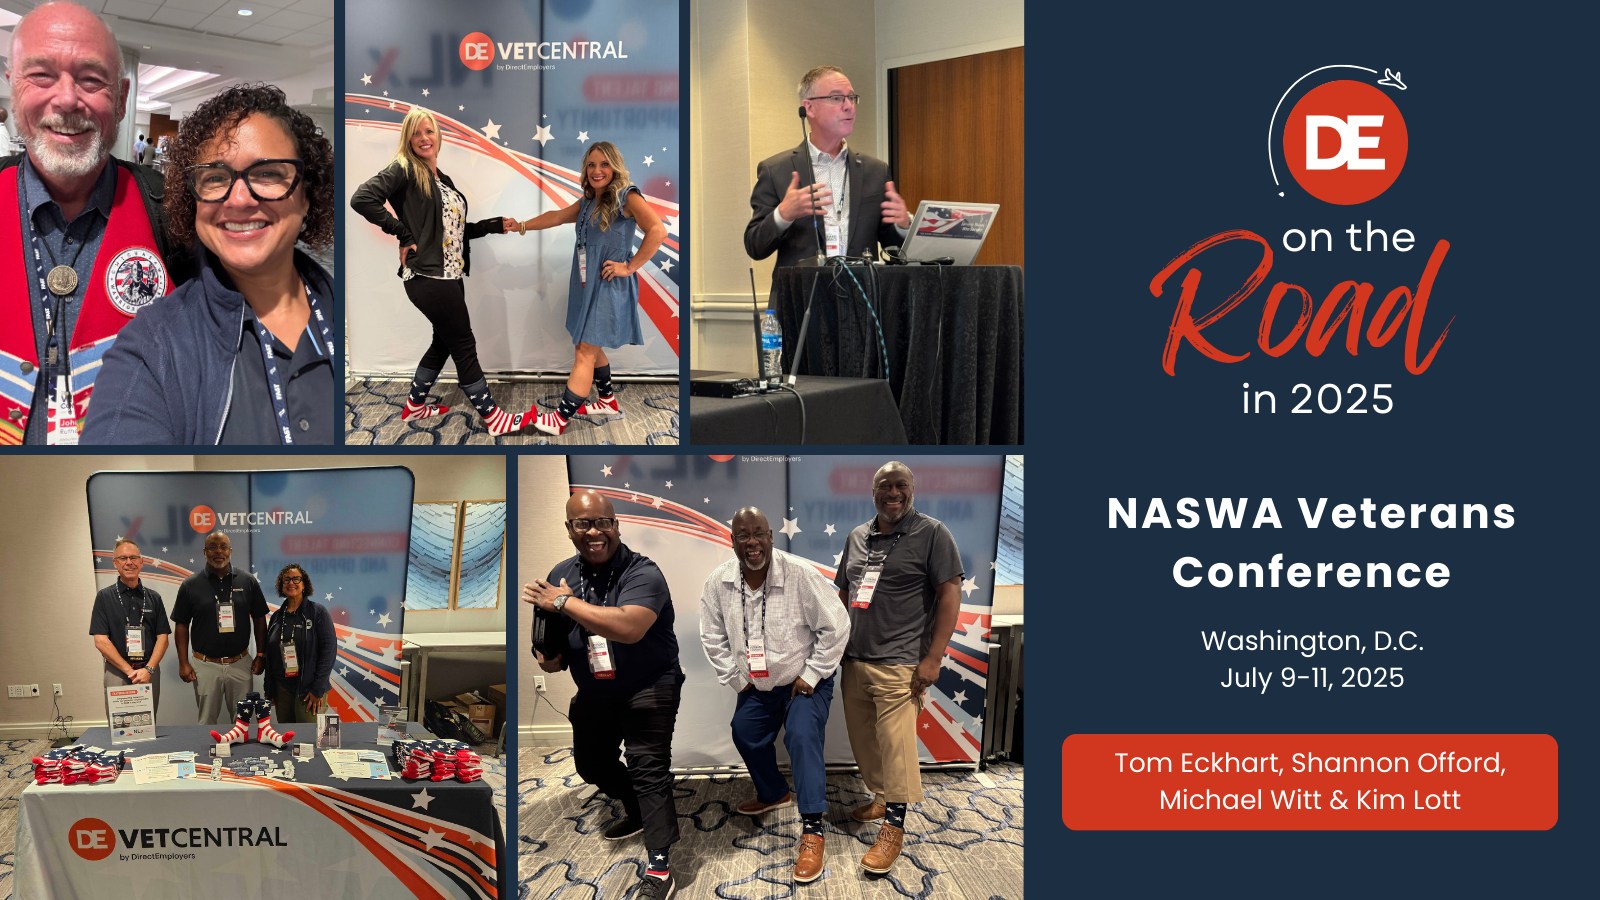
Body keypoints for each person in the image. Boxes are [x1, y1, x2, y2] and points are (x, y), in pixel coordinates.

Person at [81, 82, 336, 444]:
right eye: (216, 178)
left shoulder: (352, 311)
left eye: (268, 173)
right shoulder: (153, 348)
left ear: (307, 195)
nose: (240, 199)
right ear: (193, 201)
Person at [0, 1, 193, 445]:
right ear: (13, 90)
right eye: (42, 75)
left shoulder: (173, 209)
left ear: (122, 99)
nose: (67, 99)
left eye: (91, 79)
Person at [521, 490, 682, 899]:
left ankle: (660, 867)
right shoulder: (562, 573)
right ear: (570, 529)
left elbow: (628, 627)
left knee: (648, 766)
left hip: (650, 685)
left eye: (603, 522)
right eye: (583, 523)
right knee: (591, 764)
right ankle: (636, 807)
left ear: (616, 525)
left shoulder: (644, 572)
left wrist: (564, 602)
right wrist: (547, 655)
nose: (595, 531)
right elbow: (552, 641)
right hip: (595, 688)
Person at [350, 107, 531, 436]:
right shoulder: (404, 168)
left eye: (429, 131)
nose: (423, 138)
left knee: (444, 340)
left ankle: (415, 404)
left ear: (438, 136)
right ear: (408, 138)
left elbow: (454, 233)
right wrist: (403, 233)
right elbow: (362, 198)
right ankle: (493, 416)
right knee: (463, 342)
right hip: (427, 277)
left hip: (450, 275)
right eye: (416, 133)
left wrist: (493, 226)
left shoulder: (440, 179)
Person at [699, 507, 849, 883]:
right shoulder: (719, 582)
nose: (752, 543)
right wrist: (737, 680)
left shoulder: (800, 574)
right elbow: (711, 634)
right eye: (743, 536)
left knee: (800, 735)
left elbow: (837, 626)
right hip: (758, 683)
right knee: (744, 732)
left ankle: (813, 829)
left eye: (759, 534)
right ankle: (774, 792)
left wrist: (813, 673)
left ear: (770, 536)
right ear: (732, 541)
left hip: (804, 681)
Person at [833, 460, 963, 873]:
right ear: (873, 493)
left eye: (900, 486)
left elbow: (950, 593)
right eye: (885, 486)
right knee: (864, 741)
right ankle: (880, 796)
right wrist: (832, 645)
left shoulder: (933, 533)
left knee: (897, 745)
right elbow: (842, 592)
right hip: (854, 659)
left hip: (902, 663)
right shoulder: (857, 537)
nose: (893, 493)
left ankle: (894, 826)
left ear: (912, 489)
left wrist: (934, 657)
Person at [515, 141, 666, 436]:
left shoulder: (627, 196)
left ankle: (560, 418)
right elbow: (556, 216)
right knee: (587, 344)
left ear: (615, 167)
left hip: (609, 283)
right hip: (586, 281)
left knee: (585, 349)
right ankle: (607, 400)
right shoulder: (588, 201)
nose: (597, 171)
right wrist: (520, 225)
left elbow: (658, 230)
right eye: (592, 164)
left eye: (604, 164)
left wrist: (630, 266)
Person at [744, 65, 911, 270]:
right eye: (836, 98)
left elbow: (893, 249)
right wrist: (783, 214)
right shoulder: (776, 170)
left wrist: (903, 226)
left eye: (851, 97)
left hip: (860, 295)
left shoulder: (875, 171)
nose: (849, 106)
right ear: (809, 108)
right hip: (803, 297)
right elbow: (755, 246)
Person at [171, 531, 269, 725]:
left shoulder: (247, 581)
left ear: (230, 551)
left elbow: (259, 619)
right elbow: (181, 624)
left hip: (240, 663)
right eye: (213, 547)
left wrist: (261, 654)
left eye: (223, 546)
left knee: (243, 721)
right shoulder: (190, 585)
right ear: (204, 552)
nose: (218, 552)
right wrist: (183, 662)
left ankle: (243, 756)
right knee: (206, 721)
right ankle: (209, 756)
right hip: (205, 665)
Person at [89, 539, 170, 716]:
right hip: (117, 672)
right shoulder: (104, 597)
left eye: (133, 557)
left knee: (147, 725)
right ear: (115, 563)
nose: (129, 562)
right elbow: (100, 641)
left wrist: (148, 669)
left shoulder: (154, 597)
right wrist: (128, 670)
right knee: (121, 727)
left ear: (141, 562)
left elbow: (163, 638)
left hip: (148, 671)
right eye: (123, 558)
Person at [263, 563, 336, 724]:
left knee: (307, 740)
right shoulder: (275, 618)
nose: (291, 583)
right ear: (281, 587)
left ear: (304, 584)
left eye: (296, 579)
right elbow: (270, 655)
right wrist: (269, 688)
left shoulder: (318, 612)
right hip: (282, 690)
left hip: (310, 690)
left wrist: (318, 689)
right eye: (286, 580)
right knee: (287, 738)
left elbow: (328, 652)